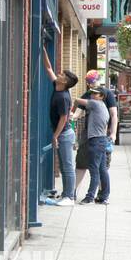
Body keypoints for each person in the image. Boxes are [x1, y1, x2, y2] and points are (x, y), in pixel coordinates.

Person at [41, 50, 79, 206]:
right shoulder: (58, 86)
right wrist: (43, 48)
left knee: (68, 166)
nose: (59, 74)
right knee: (64, 166)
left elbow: (64, 118)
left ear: (65, 82)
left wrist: (55, 136)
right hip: (63, 134)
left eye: (62, 74)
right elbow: (48, 67)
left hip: (64, 134)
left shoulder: (63, 96)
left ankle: (69, 197)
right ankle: (65, 195)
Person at [73, 84, 112, 205]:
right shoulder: (103, 107)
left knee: (94, 170)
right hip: (101, 140)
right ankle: (104, 196)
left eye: (95, 93)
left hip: (95, 141)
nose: (92, 95)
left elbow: (76, 100)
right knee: (102, 169)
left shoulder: (95, 104)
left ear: (101, 96)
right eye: (91, 93)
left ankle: (89, 197)